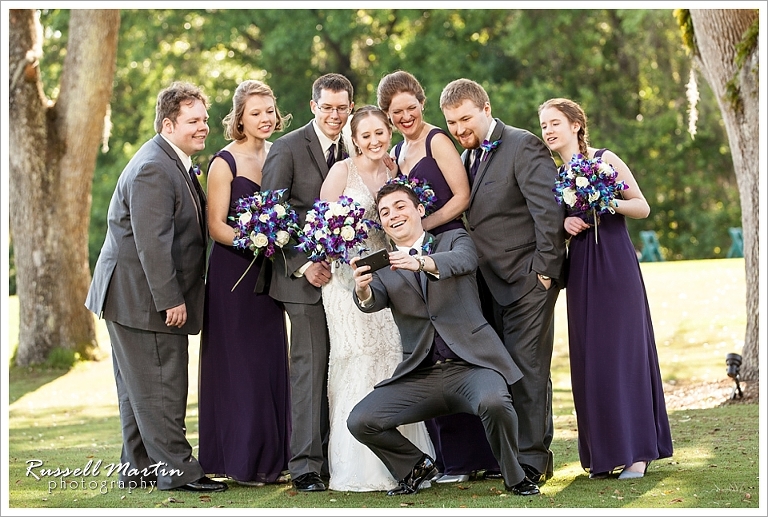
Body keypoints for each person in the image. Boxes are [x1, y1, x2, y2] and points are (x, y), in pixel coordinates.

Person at [346, 182, 539, 497]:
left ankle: (514, 475)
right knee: (361, 420)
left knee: (495, 402)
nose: (393, 215)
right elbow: (371, 301)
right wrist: (363, 289)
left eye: (400, 206)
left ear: (419, 210)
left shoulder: (454, 238)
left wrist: (421, 262)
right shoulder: (382, 267)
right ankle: (415, 467)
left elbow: (464, 261)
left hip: (473, 367)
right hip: (423, 375)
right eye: (384, 212)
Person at [85, 82, 227, 492]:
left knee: (137, 390)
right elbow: (152, 243)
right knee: (162, 385)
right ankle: (179, 473)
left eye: (203, 118)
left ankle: (139, 470)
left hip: (127, 296)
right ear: (168, 124)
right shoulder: (153, 167)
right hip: (143, 298)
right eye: (194, 121)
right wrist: (171, 300)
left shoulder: (172, 159)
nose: (203, 127)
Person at [439, 78, 567, 485]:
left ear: (486, 108)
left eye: (465, 119)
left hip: (527, 282)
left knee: (528, 372)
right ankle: (509, 457)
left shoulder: (523, 145)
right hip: (486, 287)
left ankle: (533, 459)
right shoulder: (466, 157)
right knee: (501, 374)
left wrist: (544, 273)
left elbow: (548, 213)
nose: (460, 129)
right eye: (452, 123)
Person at [537, 98, 673, 479]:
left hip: (614, 266)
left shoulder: (605, 158)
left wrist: (606, 200)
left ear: (577, 124)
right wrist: (565, 226)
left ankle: (637, 454)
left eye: (554, 123)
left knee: (621, 353)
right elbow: (555, 223)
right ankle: (603, 454)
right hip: (581, 269)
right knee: (590, 357)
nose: (548, 130)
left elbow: (642, 206)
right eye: (543, 124)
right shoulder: (554, 173)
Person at [376, 70, 497, 483]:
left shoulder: (437, 140)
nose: (405, 116)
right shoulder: (398, 150)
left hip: (447, 252)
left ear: (422, 105)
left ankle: (479, 457)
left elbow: (461, 197)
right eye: (397, 112)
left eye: (411, 108)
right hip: (414, 259)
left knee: (459, 348)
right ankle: (453, 459)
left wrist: (422, 230)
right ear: (387, 116)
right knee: (430, 352)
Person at [319, 105, 435, 492]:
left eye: (379, 133)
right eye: (365, 135)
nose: (374, 141)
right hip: (345, 281)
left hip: (390, 277)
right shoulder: (341, 172)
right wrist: (342, 249)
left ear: (388, 132)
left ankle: (407, 462)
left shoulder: (394, 171)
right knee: (356, 360)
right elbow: (321, 227)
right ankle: (359, 467)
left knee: (390, 359)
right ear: (354, 139)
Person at [260, 73, 354, 493]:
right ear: (313, 105)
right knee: (311, 368)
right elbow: (269, 217)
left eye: (342, 108)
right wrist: (302, 265)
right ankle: (305, 466)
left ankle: (340, 456)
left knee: (344, 367)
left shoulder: (356, 143)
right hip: (302, 281)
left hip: (347, 280)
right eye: (328, 107)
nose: (335, 115)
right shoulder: (287, 147)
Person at [197, 80, 292, 487]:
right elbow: (215, 226)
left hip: (270, 273)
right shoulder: (224, 162)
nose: (266, 118)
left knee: (270, 361)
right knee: (240, 366)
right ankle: (240, 460)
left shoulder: (279, 153)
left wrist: (278, 239)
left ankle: (274, 458)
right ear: (239, 118)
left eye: (270, 110)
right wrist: (254, 238)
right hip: (232, 274)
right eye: (256, 112)